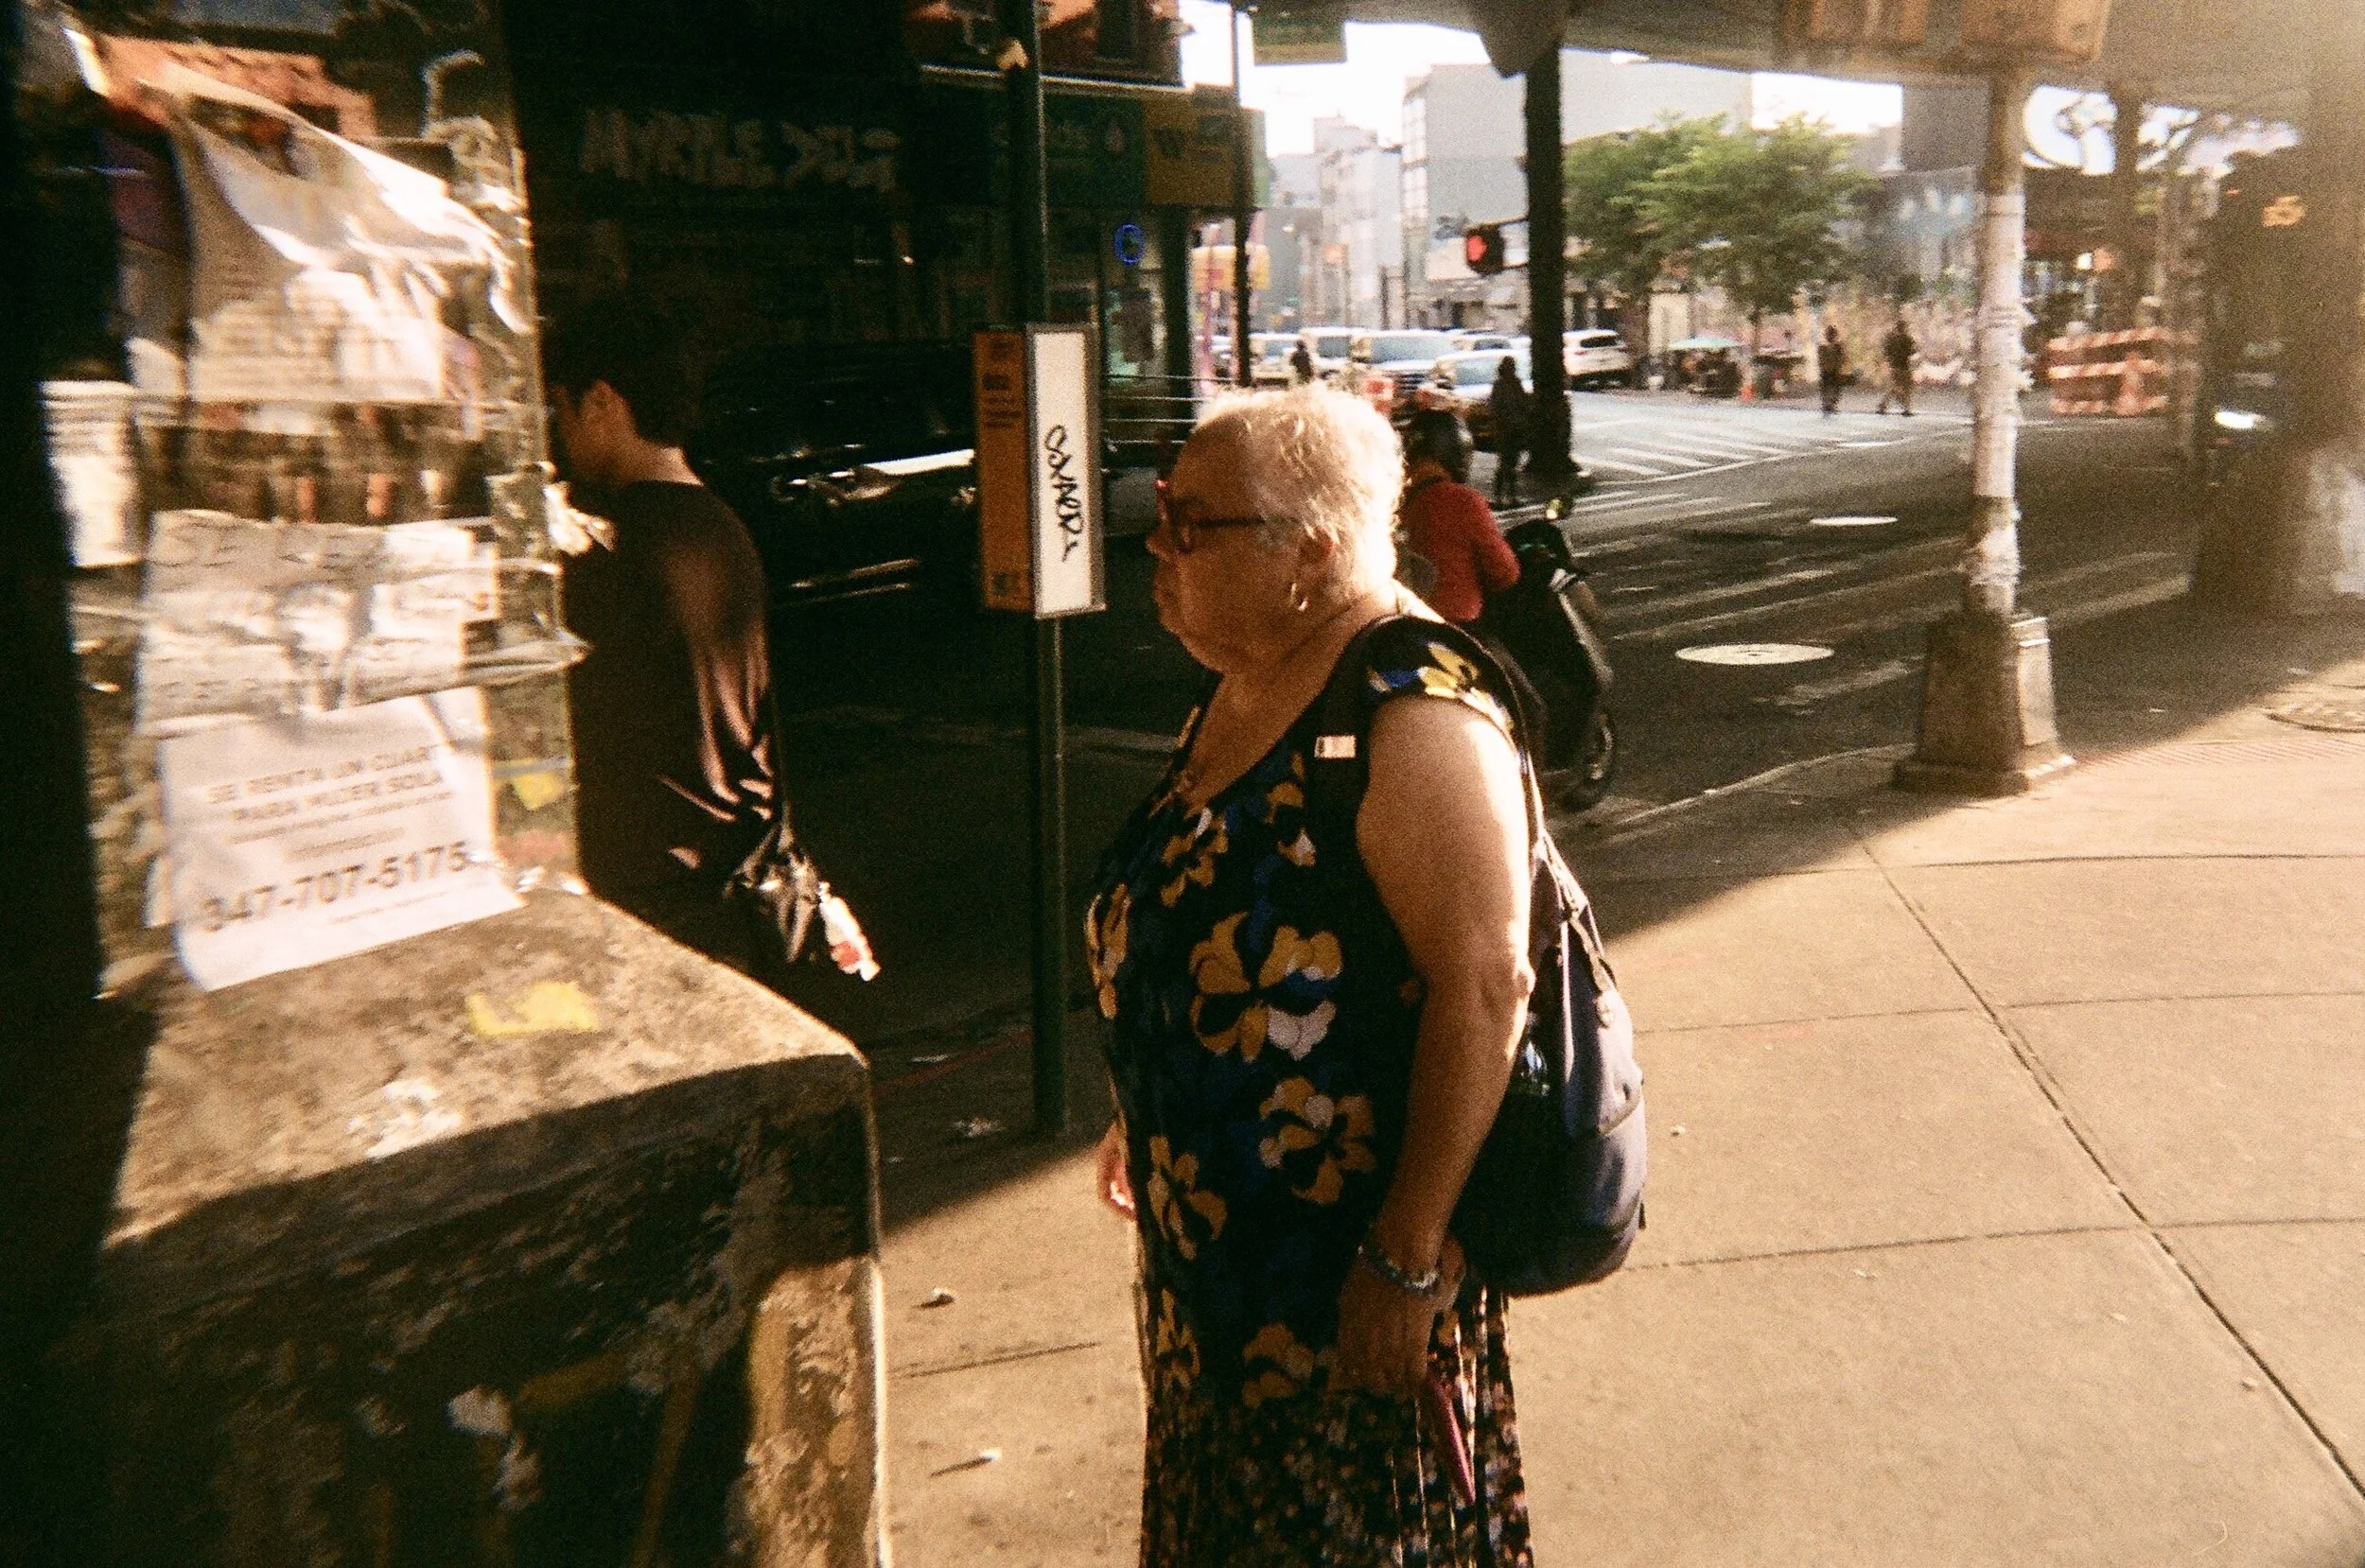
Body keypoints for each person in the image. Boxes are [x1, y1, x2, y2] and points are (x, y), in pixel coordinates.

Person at [1086, 385, 1537, 1564]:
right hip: (1214, 1293)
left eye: (1193, 523)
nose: (1158, 544)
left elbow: (1485, 986)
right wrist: (1147, 1098)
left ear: (1313, 551)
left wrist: (1405, 1252)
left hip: (1337, 1306)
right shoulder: (1245, 681)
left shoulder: (1415, 712)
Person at [544, 295, 778, 960]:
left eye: (562, 408)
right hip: (723, 879)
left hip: (642, 894)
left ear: (601, 402)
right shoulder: (726, 532)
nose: (559, 433)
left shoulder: (609, 547)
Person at [1398, 409, 1519, 629]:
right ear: (1455, 451)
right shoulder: (1463, 501)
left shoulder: (1389, 504)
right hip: (1458, 631)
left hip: (1401, 627)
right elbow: (1504, 573)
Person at [1485, 355, 1531, 505]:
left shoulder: (1513, 384)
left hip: (1514, 428)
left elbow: (1523, 403)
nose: (1512, 370)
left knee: (1511, 463)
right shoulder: (1501, 385)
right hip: (1505, 429)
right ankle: (1500, 496)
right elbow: (1496, 408)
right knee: (1505, 463)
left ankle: (1509, 495)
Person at [1877, 317, 1918, 415]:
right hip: (1904, 365)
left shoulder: (1891, 339)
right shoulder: (1906, 339)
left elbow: (1885, 350)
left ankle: (1883, 404)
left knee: (1894, 387)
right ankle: (1906, 409)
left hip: (1894, 365)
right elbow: (1912, 351)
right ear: (1903, 328)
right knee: (1906, 388)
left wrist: (1889, 359)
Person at [1819, 324, 1848, 415]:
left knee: (1835, 388)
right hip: (1827, 371)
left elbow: (1842, 358)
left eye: (1831, 334)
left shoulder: (1838, 347)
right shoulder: (1823, 347)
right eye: (1829, 334)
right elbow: (1821, 360)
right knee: (1827, 388)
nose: (1830, 336)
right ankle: (1827, 405)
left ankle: (1831, 405)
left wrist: (1839, 366)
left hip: (1834, 370)